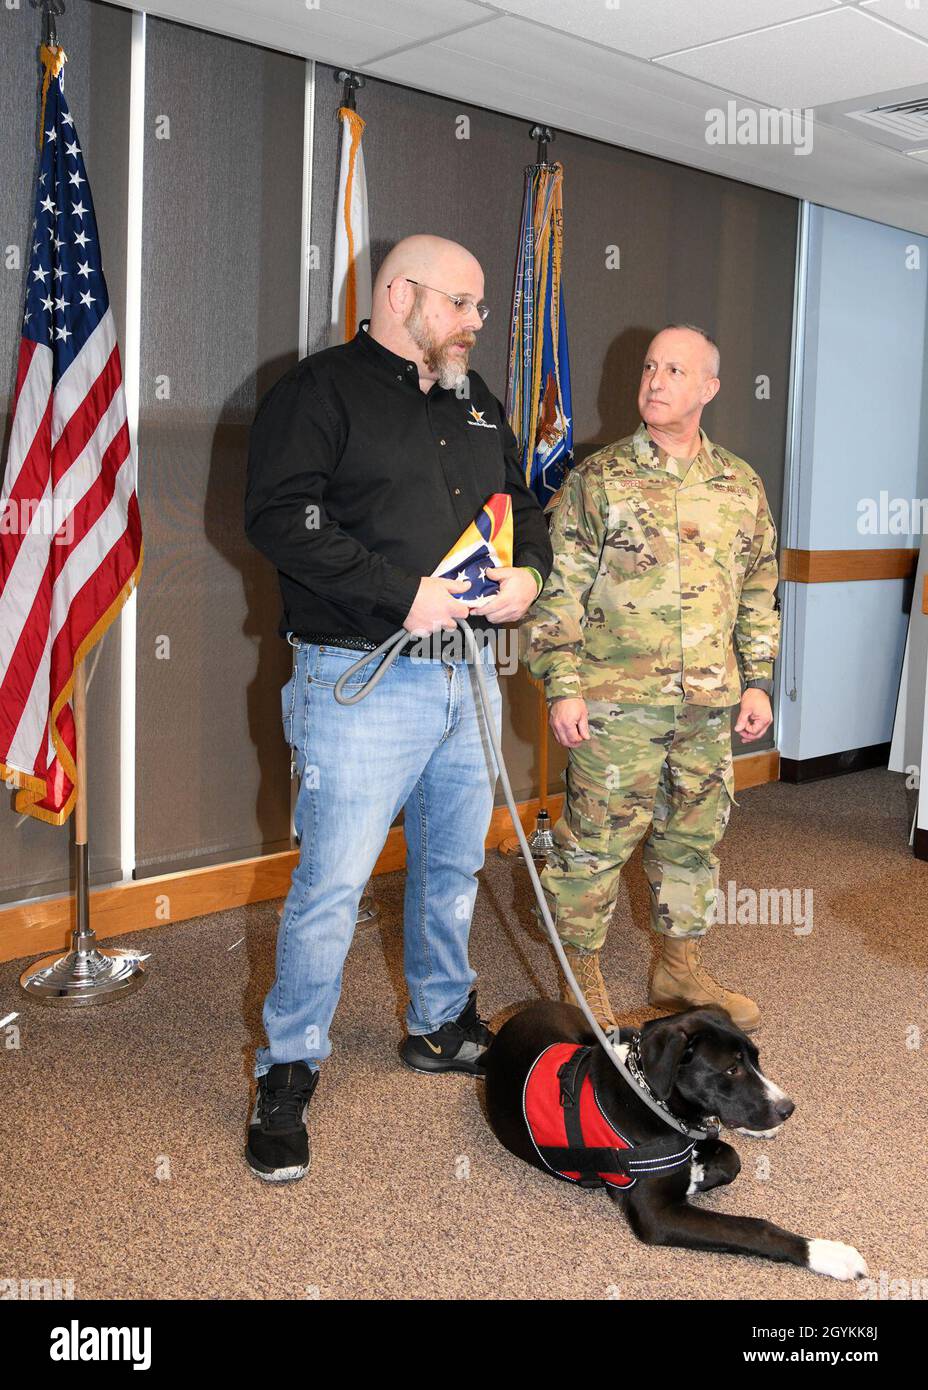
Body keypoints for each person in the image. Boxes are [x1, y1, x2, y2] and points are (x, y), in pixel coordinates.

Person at [243, 234, 552, 1181]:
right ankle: (287, 1070)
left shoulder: (472, 396)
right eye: (461, 304)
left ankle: (438, 1021)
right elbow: (281, 517)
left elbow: (521, 503)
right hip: (360, 677)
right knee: (331, 888)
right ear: (402, 293)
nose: (474, 323)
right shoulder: (316, 391)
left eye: (479, 308)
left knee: (455, 863)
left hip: (468, 675)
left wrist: (528, 575)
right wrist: (397, 591)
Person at [521, 324, 779, 1033]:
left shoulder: (740, 485)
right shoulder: (598, 479)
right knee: (595, 845)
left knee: (693, 839)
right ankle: (581, 982)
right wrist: (563, 681)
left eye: (674, 369)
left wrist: (757, 680)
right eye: (649, 367)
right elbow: (558, 591)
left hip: (707, 705)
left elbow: (757, 590)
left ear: (709, 388)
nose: (656, 381)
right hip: (616, 705)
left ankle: (679, 967)